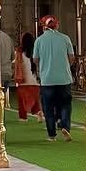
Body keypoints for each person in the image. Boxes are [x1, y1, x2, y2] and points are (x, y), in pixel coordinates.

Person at [33, 14, 76, 142]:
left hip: (47, 79)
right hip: (64, 78)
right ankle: (65, 126)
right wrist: (64, 65)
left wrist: (44, 64)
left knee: (48, 108)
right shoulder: (65, 38)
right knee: (65, 105)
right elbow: (71, 58)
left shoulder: (39, 41)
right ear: (56, 25)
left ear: (43, 27)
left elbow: (35, 59)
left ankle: (52, 135)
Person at [14, 30, 40, 121]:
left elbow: (16, 64)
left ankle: (23, 117)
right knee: (36, 100)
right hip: (35, 81)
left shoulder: (19, 53)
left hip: (23, 81)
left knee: (22, 101)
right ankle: (38, 112)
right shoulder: (36, 52)